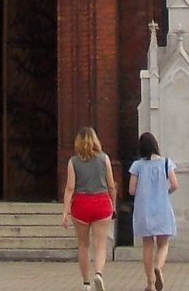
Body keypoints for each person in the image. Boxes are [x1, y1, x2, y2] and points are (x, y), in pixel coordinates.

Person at [61, 125, 116, 291]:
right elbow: (111, 185)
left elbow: (70, 187)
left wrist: (65, 211)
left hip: (81, 204)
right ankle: (98, 273)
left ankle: (86, 283)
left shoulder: (73, 162)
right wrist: (113, 204)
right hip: (101, 202)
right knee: (100, 244)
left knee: (83, 245)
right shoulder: (104, 159)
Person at [127, 131, 179, 291]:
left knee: (147, 245)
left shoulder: (137, 166)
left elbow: (131, 190)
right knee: (163, 244)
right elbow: (175, 184)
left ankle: (149, 282)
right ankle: (158, 267)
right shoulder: (166, 163)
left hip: (144, 209)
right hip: (162, 207)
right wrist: (166, 192)